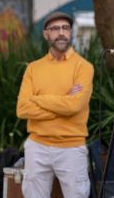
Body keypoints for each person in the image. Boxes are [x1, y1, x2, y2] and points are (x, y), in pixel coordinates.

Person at [16, 11, 94, 198]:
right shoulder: (33, 68)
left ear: (71, 32)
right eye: (55, 29)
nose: (61, 33)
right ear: (46, 34)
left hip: (71, 147)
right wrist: (64, 101)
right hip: (37, 146)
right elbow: (22, 109)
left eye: (65, 28)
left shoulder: (84, 67)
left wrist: (38, 99)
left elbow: (75, 106)